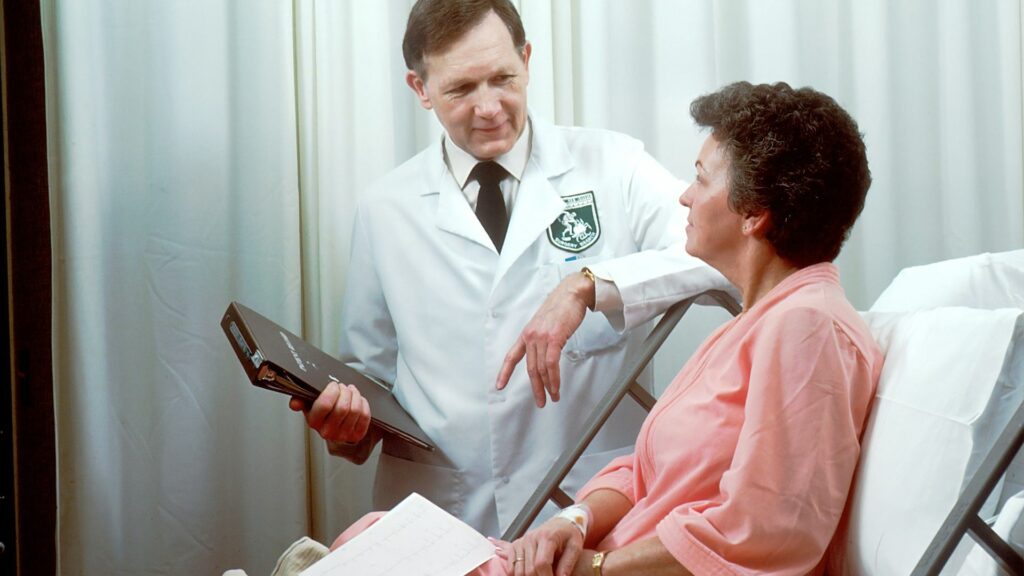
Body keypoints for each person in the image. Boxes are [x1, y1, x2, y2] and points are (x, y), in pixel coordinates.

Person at [326, 81, 882, 575]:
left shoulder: (807, 327)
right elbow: (644, 469)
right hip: (588, 550)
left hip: (613, 568)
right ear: (420, 87)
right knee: (377, 535)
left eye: (700, 178)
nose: (684, 196)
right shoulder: (756, 324)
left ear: (753, 214)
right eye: (461, 88)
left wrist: (596, 565)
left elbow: (766, 533)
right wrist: (574, 519)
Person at [290, 0, 730, 537]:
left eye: (503, 78)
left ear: (527, 59)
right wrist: (345, 427)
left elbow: (724, 258)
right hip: (444, 518)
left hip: (587, 511)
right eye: (460, 89)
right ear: (420, 89)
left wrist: (589, 286)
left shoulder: (614, 165)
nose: (490, 107)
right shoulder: (385, 207)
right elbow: (370, 380)